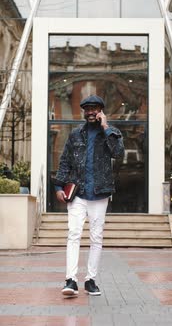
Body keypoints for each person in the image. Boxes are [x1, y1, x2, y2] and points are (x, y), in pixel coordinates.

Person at [55, 94, 124, 296]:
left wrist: (106, 127)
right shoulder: (75, 134)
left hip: (100, 194)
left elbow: (118, 153)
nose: (91, 112)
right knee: (73, 235)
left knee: (96, 237)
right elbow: (65, 161)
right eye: (87, 109)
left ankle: (91, 280)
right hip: (78, 194)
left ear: (101, 111)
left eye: (95, 108)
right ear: (84, 112)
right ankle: (70, 280)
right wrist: (59, 187)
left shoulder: (111, 133)